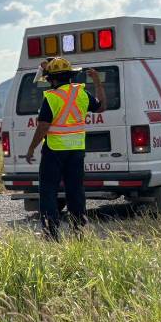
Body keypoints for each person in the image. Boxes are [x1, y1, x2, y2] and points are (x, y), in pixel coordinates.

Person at [25, 57, 106, 239]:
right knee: (76, 191)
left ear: (51, 79)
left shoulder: (52, 97)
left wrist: (31, 148)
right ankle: (79, 232)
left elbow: (43, 127)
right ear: (70, 76)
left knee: (48, 192)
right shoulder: (81, 94)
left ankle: (51, 234)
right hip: (76, 149)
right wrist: (98, 83)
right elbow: (101, 107)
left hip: (54, 150)